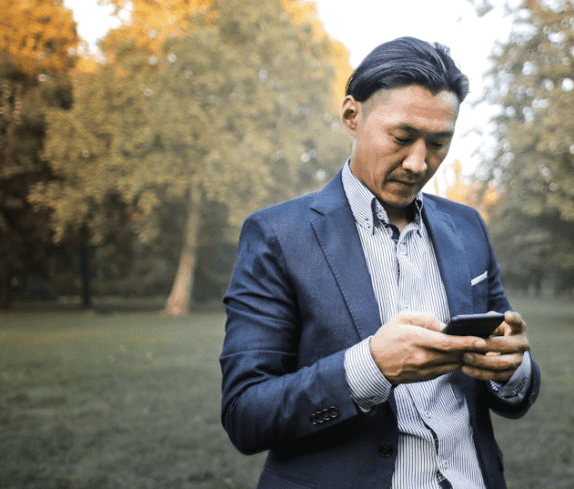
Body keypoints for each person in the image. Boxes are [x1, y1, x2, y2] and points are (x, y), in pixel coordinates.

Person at [220, 37, 540, 489]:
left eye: (438, 143)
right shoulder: (276, 235)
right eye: (402, 138)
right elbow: (245, 414)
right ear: (352, 115)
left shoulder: (468, 227)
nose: (418, 163)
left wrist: (512, 367)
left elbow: (516, 391)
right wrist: (371, 367)